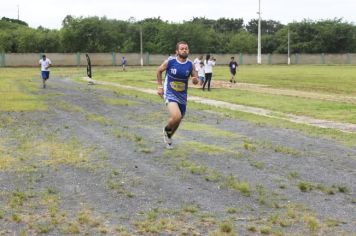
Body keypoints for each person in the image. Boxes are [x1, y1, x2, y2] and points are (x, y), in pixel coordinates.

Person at [157, 41, 198, 149]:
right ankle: (166, 129)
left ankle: (169, 135)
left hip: (182, 95)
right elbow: (159, 71)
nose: (184, 50)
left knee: (178, 120)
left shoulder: (190, 64)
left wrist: (195, 79)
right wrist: (160, 86)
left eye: (186, 48)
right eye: (182, 48)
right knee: (176, 116)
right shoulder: (170, 61)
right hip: (170, 92)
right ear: (177, 51)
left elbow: (195, 77)